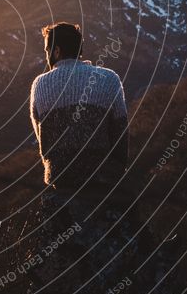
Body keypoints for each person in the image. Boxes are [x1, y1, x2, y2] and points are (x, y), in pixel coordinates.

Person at [29, 21, 128, 198]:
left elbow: (42, 137)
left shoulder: (40, 85)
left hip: (61, 182)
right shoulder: (110, 79)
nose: (46, 56)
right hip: (104, 181)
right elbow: (120, 134)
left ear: (56, 51)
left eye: (47, 51)